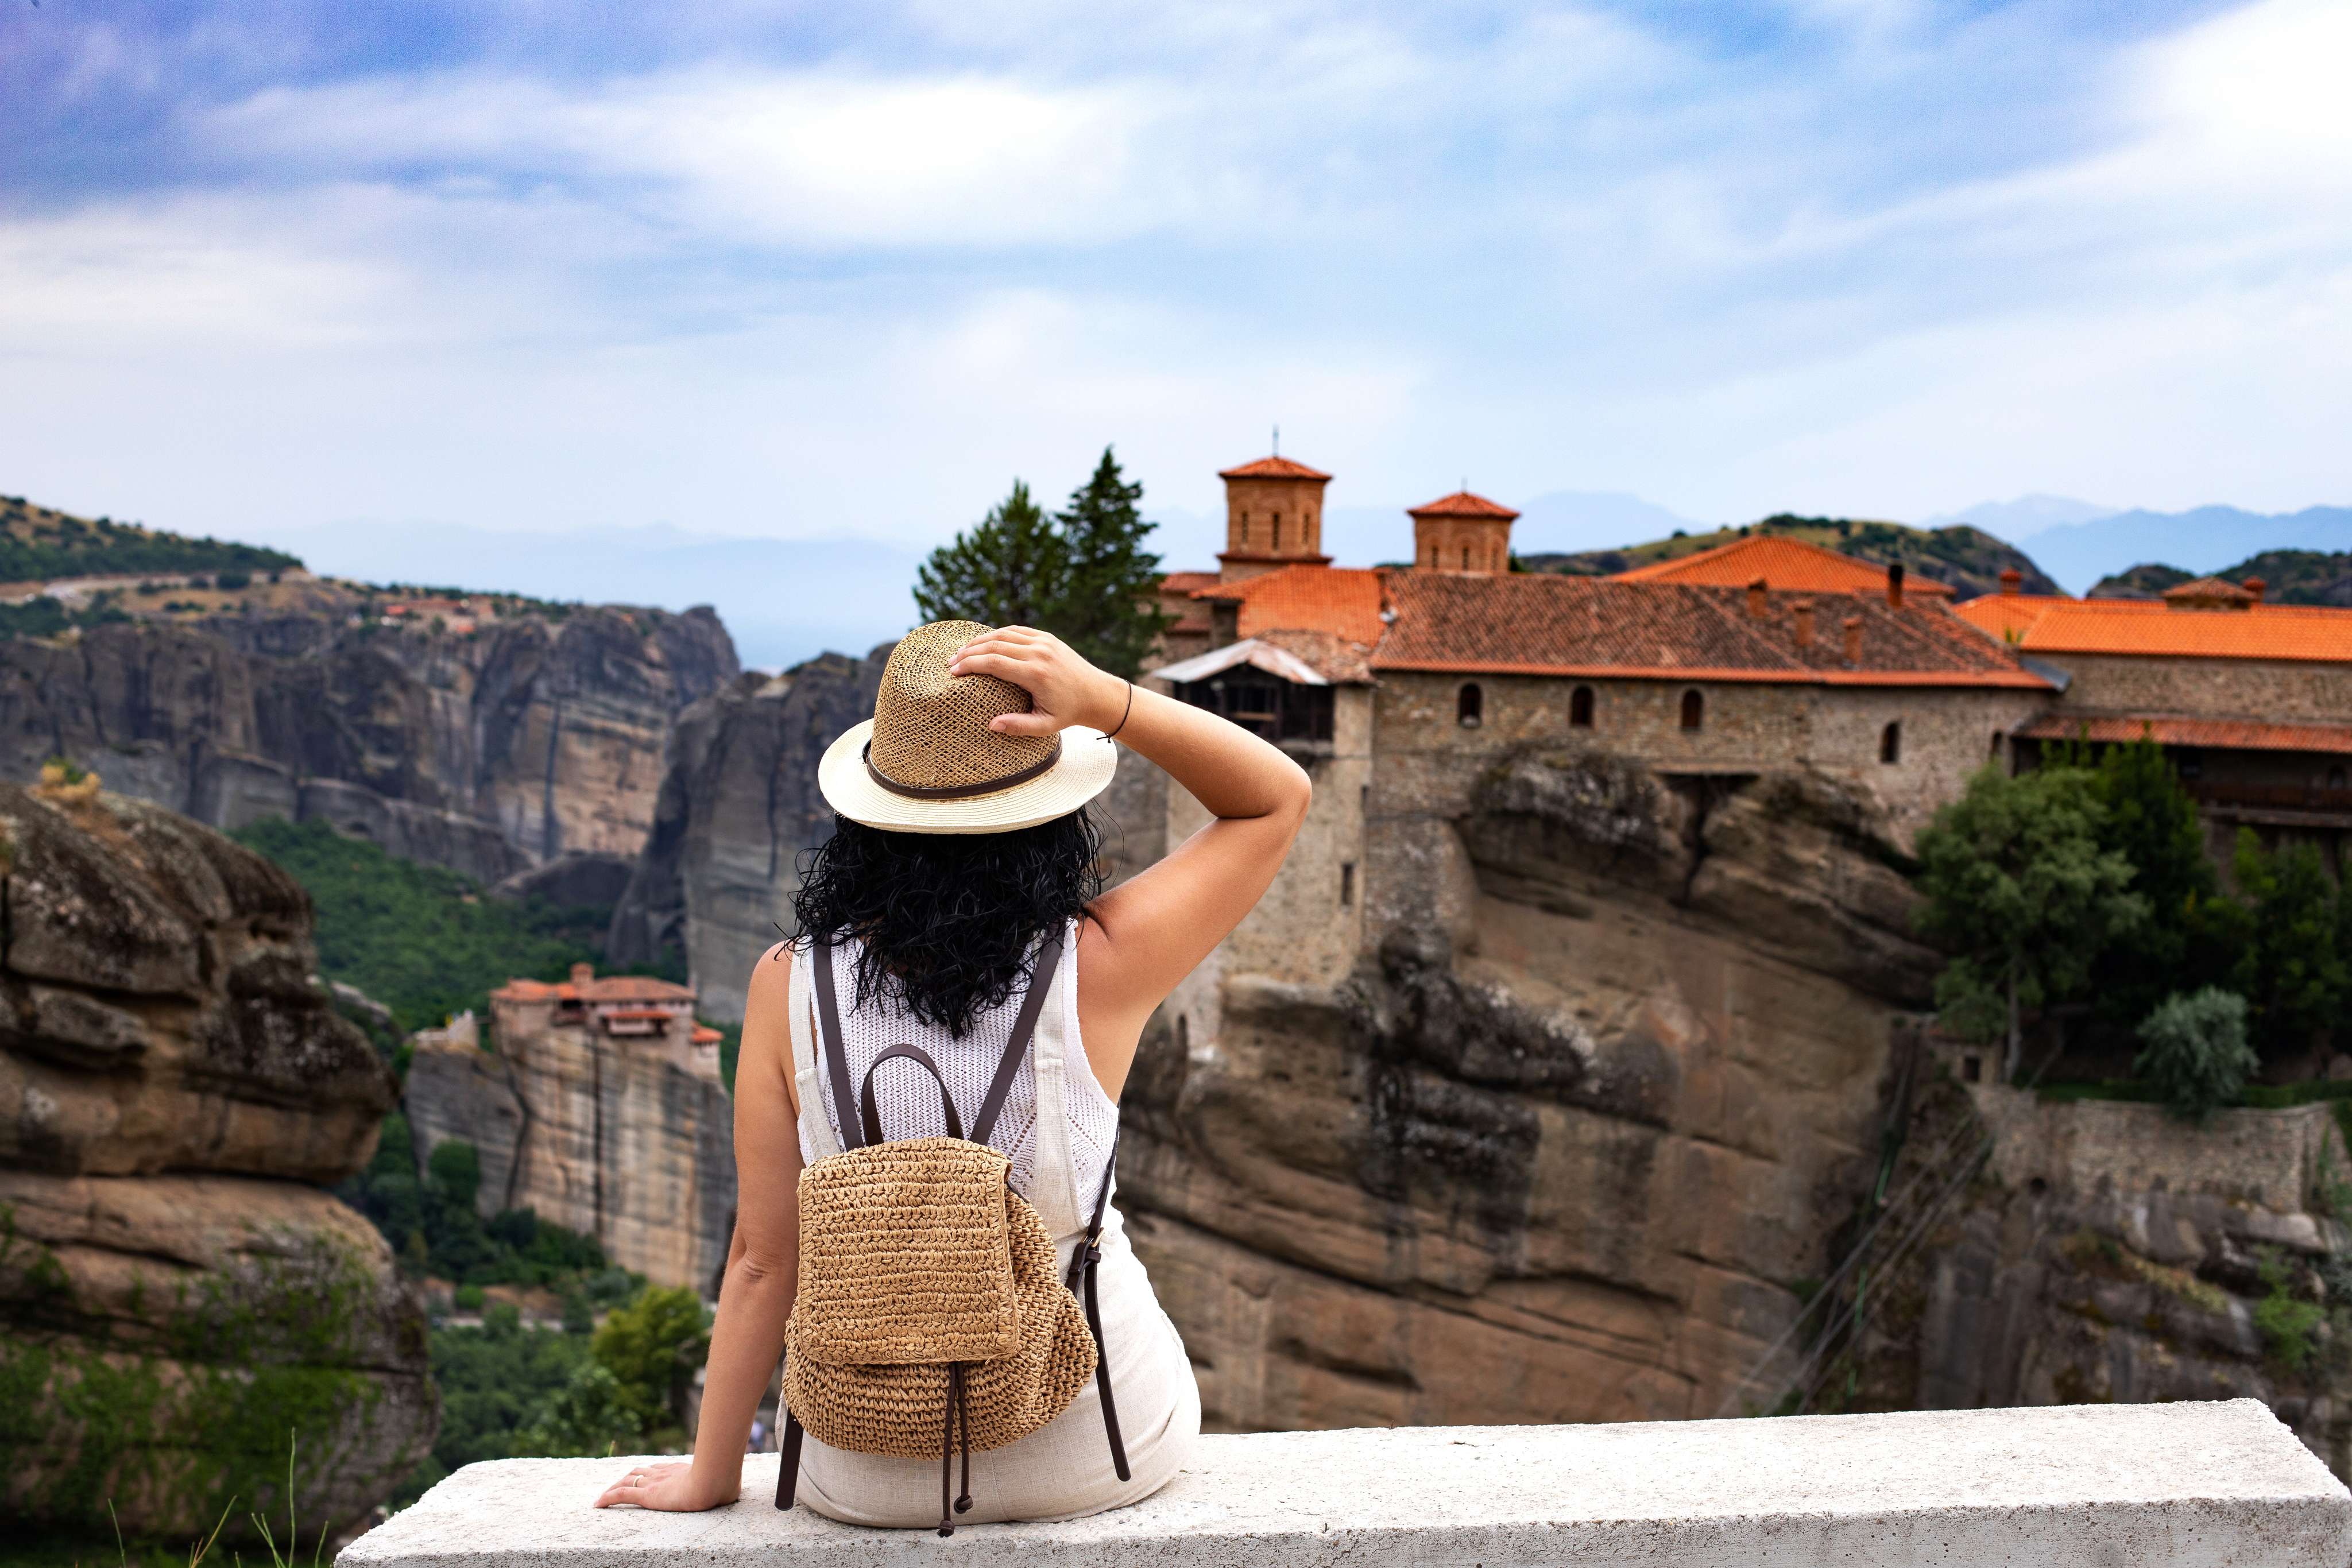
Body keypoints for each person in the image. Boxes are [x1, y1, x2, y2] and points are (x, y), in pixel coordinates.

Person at [596, 621, 1310, 1523]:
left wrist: (708, 1472)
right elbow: (1273, 799)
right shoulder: (1102, 963)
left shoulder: (788, 983)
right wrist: (1108, 701)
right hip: (1098, 1447)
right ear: (1050, 812)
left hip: (863, 1469)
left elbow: (761, 1262)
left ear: (868, 818)